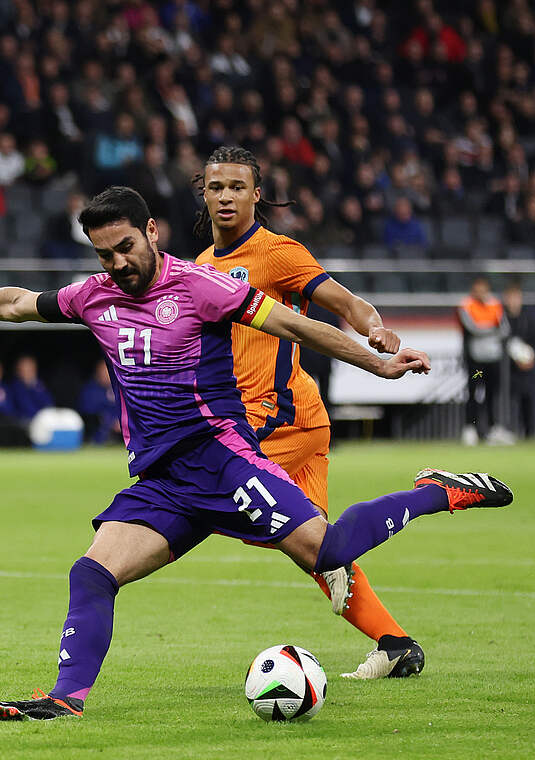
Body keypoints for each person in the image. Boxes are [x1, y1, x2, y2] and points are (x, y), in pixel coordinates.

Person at [0, 186, 512, 721]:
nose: (117, 264)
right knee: (91, 573)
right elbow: (19, 303)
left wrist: (377, 362)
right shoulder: (93, 296)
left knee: (327, 552)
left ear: (151, 233)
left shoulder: (201, 286)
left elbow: (298, 328)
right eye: (103, 254)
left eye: (125, 247)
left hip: (222, 461)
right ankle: (66, 699)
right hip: (163, 481)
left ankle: (439, 491)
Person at [192, 146, 427, 679]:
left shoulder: (278, 253)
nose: (225, 196)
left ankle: (435, 494)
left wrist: (374, 328)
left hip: (276, 417)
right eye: (215, 187)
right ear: (202, 194)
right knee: (318, 550)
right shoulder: (201, 266)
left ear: (257, 194)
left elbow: (345, 304)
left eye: (236, 187)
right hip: (290, 419)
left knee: (199, 489)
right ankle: (396, 645)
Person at [458, 277, 511, 446]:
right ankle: (470, 429)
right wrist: (492, 328)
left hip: (493, 359)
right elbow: (473, 328)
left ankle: (493, 429)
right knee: (473, 392)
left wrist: (487, 328)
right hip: (476, 361)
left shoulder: (495, 304)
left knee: (492, 394)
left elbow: (505, 329)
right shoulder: (467, 305)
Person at [503, 283, 535, 438]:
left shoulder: (528, 319)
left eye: (516, 298)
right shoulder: (502, 320)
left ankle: (528, 431)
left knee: (527, 397)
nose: (513, 302)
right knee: (507, 399)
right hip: (507, 368)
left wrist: (530, 357)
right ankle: (507, 429)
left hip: (525, 368)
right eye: (511, 298)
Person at [76, 359, 120, 444]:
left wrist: (123, 421)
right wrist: (111, 422)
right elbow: (89, 413)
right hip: (98, 433)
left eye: (108, 371)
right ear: (97, 372)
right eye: (103, 371)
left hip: (122, 432)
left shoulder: (120, 388)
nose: (106, 374)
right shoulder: (90, 390)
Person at [9, 355, 53, 420]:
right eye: (25, 369)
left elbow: (49, 404)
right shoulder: (15, 387)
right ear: (18, 371)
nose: (28, 372)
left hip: (42, 420)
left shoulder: (39, 385)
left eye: (30, 369)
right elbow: (25, 408)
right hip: (24, 422)